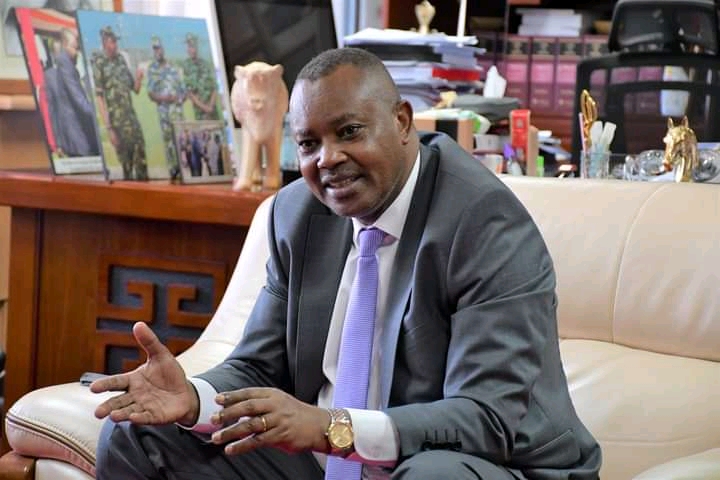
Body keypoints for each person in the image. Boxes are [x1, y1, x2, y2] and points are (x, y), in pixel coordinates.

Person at [92, 47, 602, 479]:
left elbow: (484, 419)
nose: (327, 159)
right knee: (139, 433)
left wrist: (330, 427)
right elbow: (258, 366)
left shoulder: (484, 223)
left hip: (485, 463)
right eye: (308, 143)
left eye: (349, 131)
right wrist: (193, 398)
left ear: (402, 122)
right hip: (329, 460)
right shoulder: (297, 214)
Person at [92, 25, 147, 180]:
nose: (115, 45)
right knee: (127, 166)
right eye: (112, 41)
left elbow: (135, 89)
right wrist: (110, 129)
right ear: (104, 43)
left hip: (131, 120)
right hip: (117, 124)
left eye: (116, 41)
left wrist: (139, 78)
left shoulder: (121, 60)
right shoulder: (99, 64)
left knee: (141, 159)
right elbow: (100, 98)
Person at [45, 28, 99, 158]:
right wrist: (96, 114)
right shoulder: (65, 65)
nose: (77, 52)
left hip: (76, 132)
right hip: (76, 134)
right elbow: (77, 98)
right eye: (74, 47)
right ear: (65, 46)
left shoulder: (69, 66)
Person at [146, 35, 185, 179]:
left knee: (181, 141)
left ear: (163, 49)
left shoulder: (173, 67)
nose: (158, 51)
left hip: (177, 112)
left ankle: (184, 169)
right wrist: (163, 98)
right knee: (168, 142)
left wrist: (178, 98)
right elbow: (150, 93)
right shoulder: (152, 69)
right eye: (155, 49)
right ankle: (173, 171)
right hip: (164, 113)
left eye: (159, 48)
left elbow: (183, 90)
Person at [181, 32, 219, 120]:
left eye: (193, 46)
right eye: (189, 46)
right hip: (200, 113)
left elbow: (214, 87)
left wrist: (211, 106)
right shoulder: (186, 66)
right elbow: (190, 93)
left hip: (213, 111)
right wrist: (205, 108)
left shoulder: (205, 64)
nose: (191, 49)